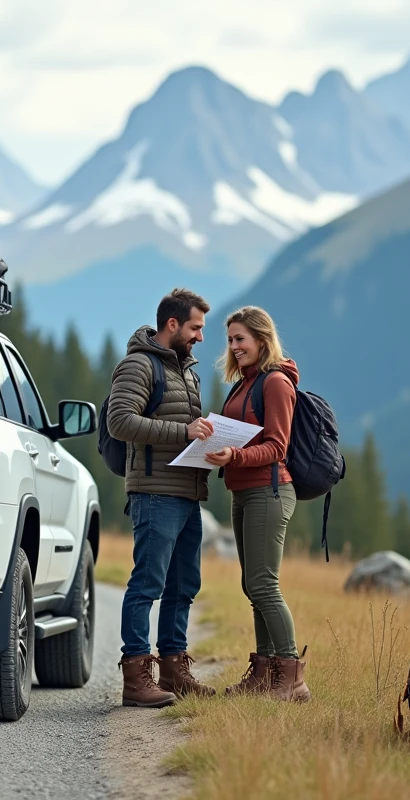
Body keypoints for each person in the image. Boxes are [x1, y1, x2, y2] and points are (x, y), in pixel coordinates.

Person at [107, 288, 217, 707]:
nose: (201, 337)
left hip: (188, 493)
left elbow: (183, 429)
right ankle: (136, 679)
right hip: (155, 494)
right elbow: (120, 422)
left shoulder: (187, 371)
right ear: (172, 324)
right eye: (196, 327)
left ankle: (174, 671)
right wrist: (184, 432)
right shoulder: (138, 365)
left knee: (183, 585)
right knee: (147, 585)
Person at [204, 305, 310, 702]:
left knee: (264, 584)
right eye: (230, 340)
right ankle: (265, 674)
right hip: (243, 491)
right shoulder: (244, 383)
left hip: (269, 491)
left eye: (240, 339)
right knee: (252, 585)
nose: (234, 347)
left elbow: (276, 447)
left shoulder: (276, 383)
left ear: (262, 340)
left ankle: (292, 679)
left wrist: (234, 455)